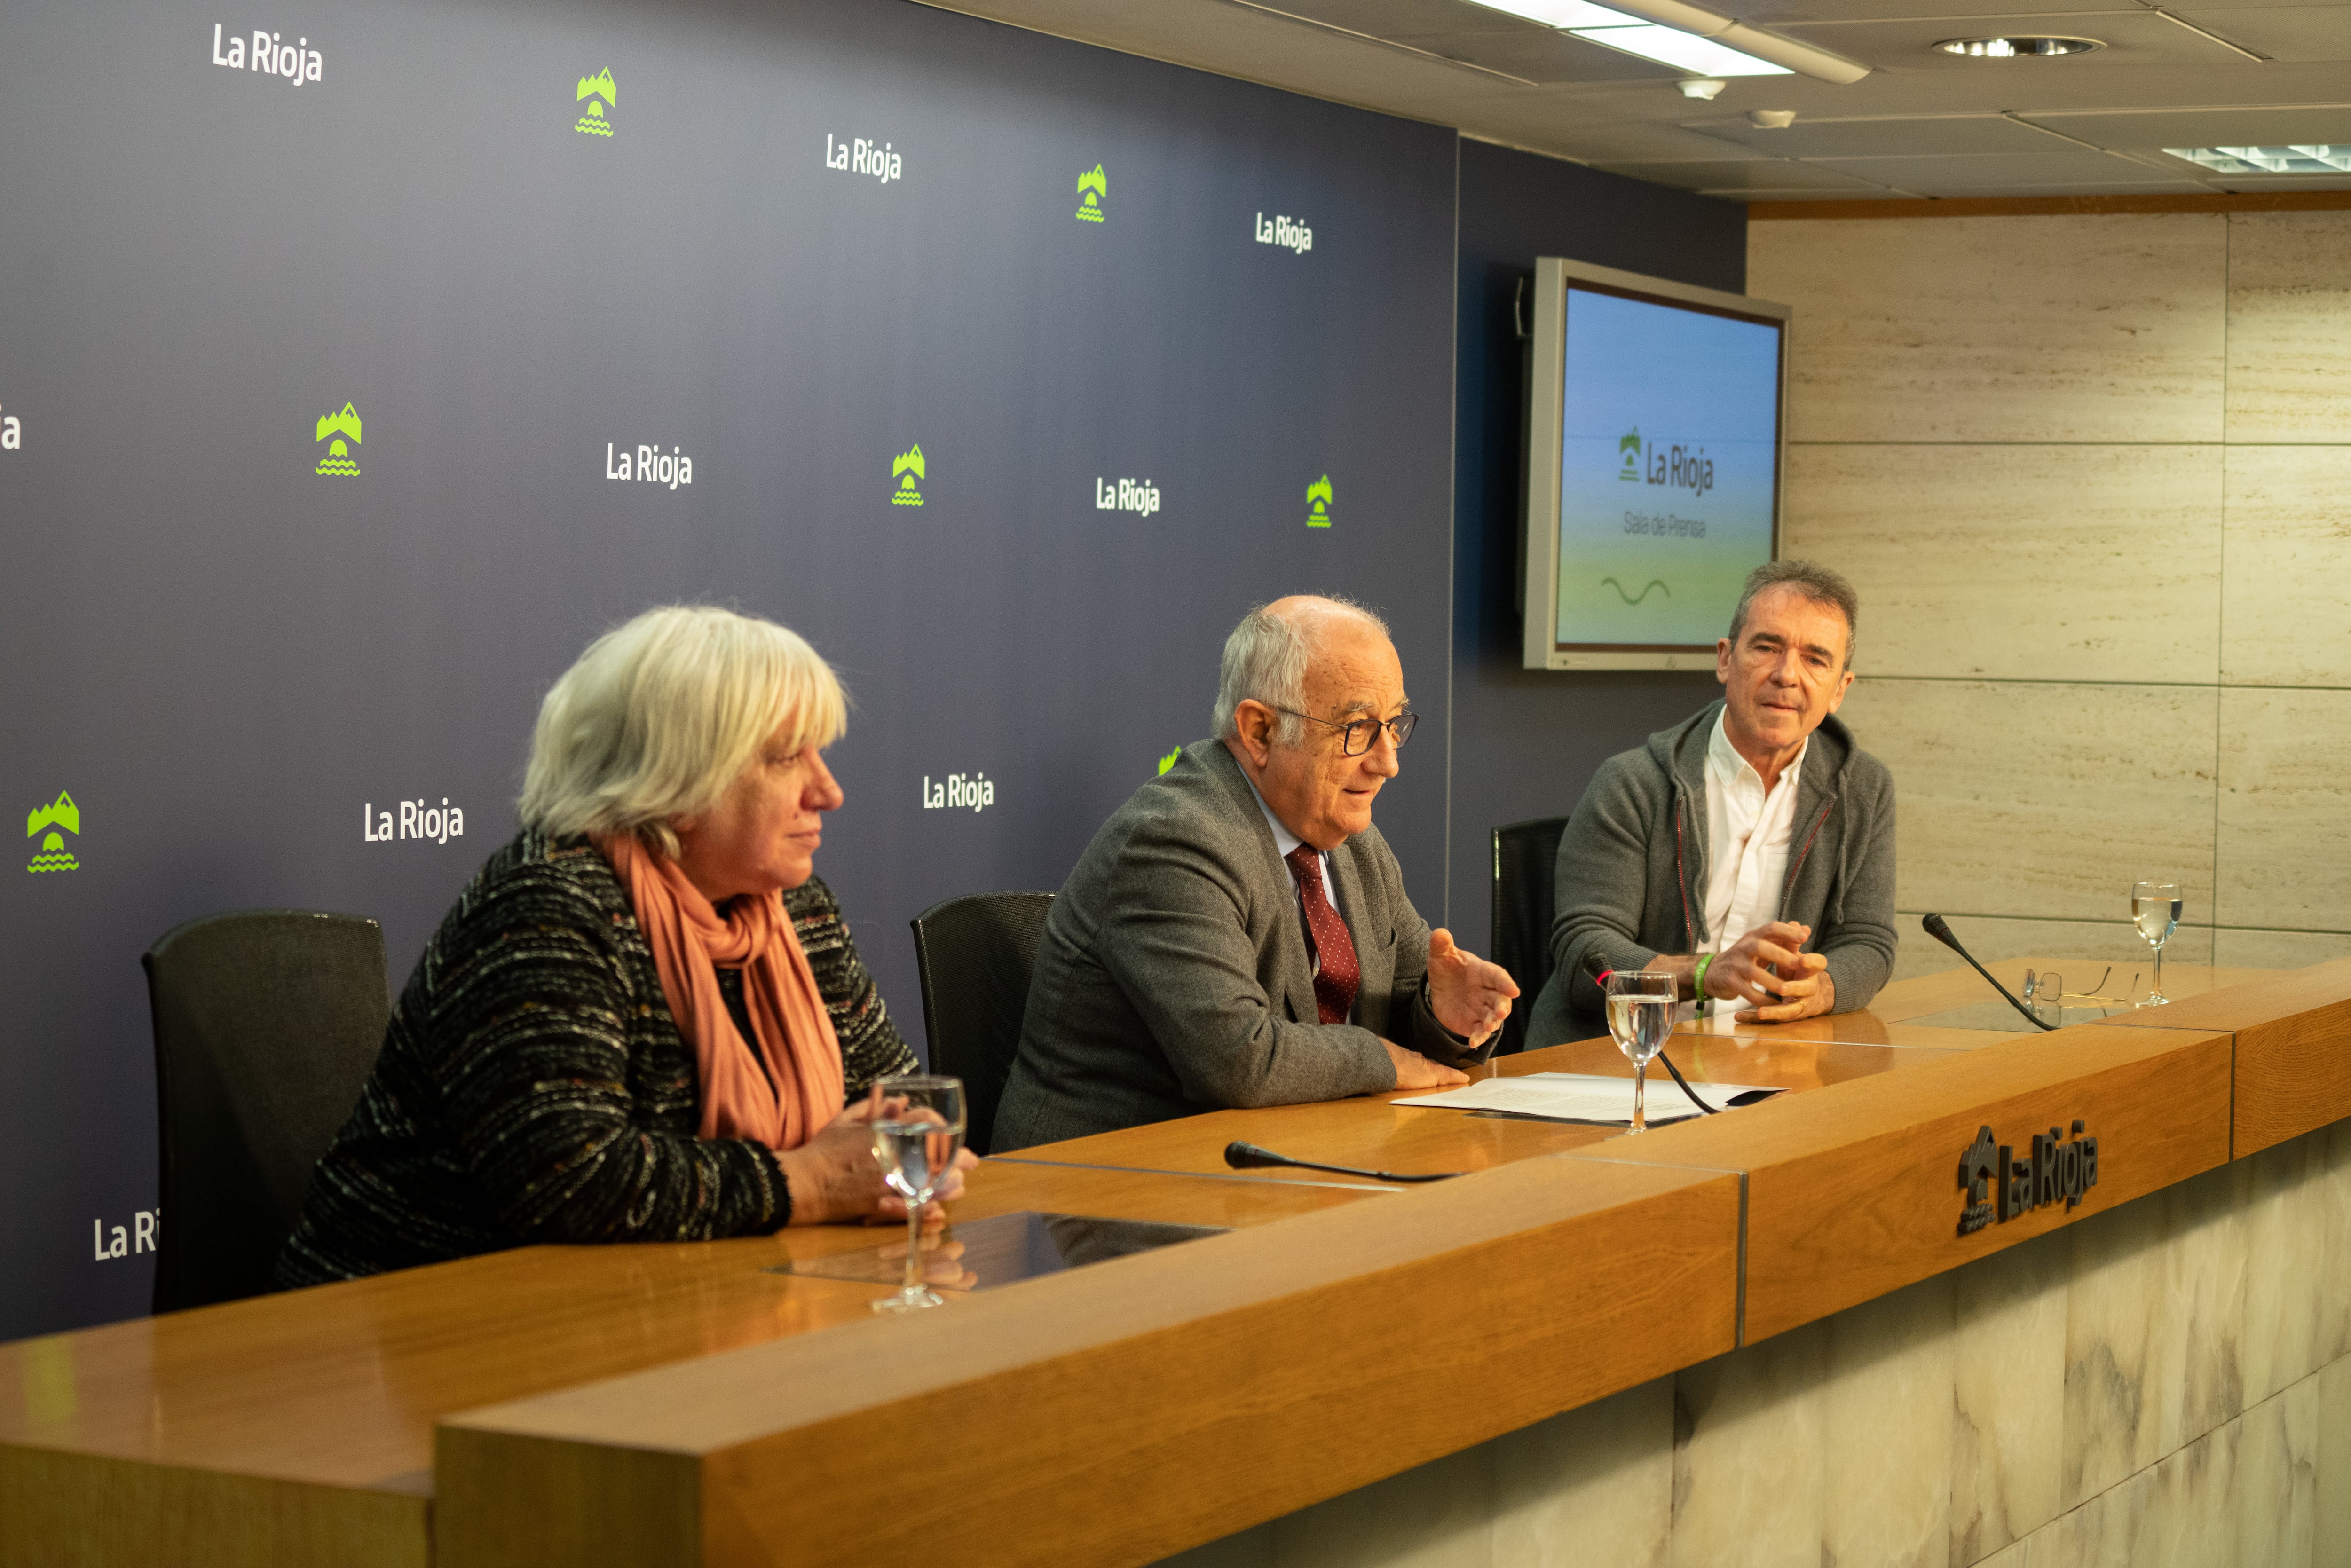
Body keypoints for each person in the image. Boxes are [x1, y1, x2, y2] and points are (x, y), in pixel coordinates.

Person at [278, 606, 974, 1285]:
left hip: (680, 1297)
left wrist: (888, 1162)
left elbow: (894, 1110)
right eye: (788, 757)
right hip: (419, 1326)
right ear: (678, 784)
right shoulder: (550, 903)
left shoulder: (797, 909)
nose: (828, 791)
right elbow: (570, 1181)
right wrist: (812, 1178)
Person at [992, 595, 1519, 1151]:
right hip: (1103, 1182)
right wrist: (1386, 1059)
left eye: (1392, 724)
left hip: (1282, 1157)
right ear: (1259, 731)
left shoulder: (1352, 839)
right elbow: (1238, 1057)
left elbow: (1406, 1011)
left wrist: (1444, 1019)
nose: (1387, 761)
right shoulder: (1173, 841)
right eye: (1357, 727)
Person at [1522, 560, 1896, 1047]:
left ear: (1839, 689)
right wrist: (1703, 973)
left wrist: (1820, 986)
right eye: (1766, 647)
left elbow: (1868, 941)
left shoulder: (1863, 788)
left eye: (1814, 659)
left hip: (1769, 1060)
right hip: (1618, 1059)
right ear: (1724, 659)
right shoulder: (1633, 782)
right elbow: (1583, 955)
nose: (1786, 675)